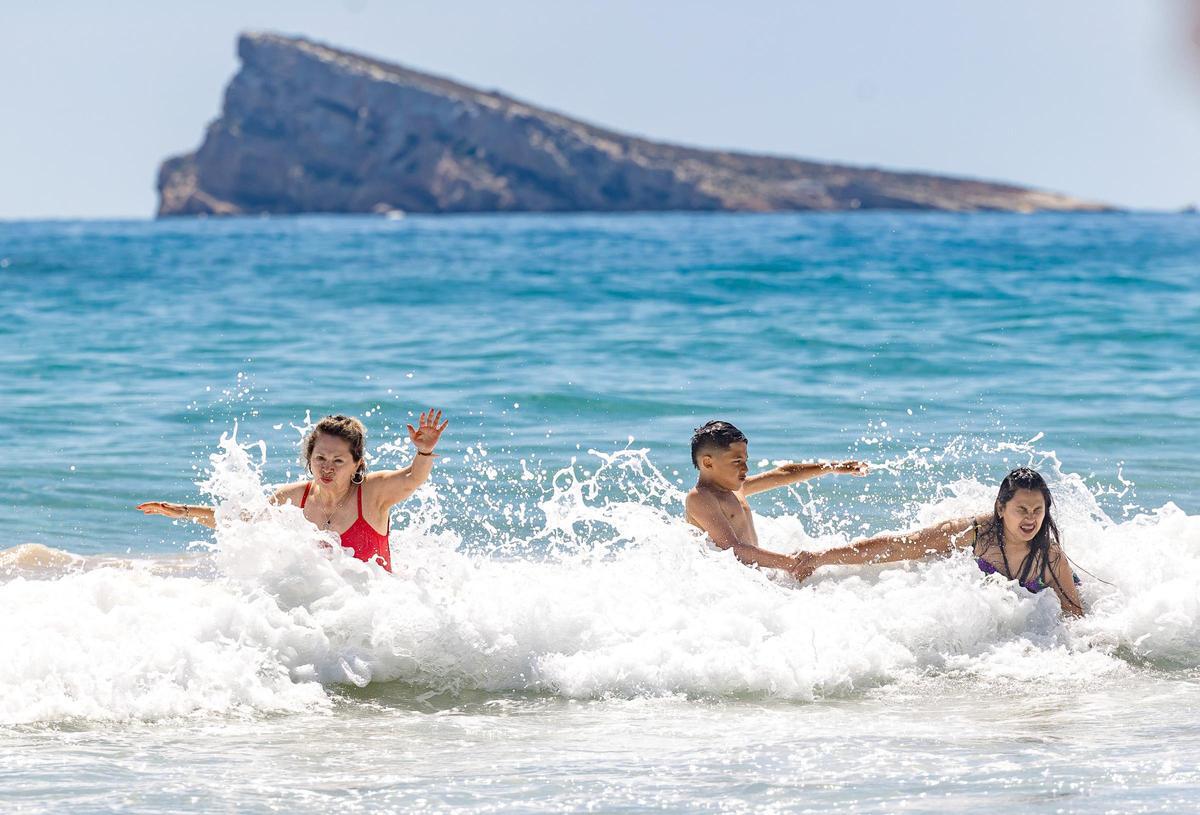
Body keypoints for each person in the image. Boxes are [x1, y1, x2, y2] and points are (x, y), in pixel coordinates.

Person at [138, 410, 449, 572]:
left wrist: (423, 452)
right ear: (309, 459)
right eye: (320, 459)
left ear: (357, 464)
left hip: (375, 618)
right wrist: (182, 511)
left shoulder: (372, 493)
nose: (328, 468)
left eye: (339, 460)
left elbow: (412, 478)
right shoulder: (293, 497)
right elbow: (242, 521)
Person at [794, 467, 1084, 616]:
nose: (1030, 519)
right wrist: (821, 558)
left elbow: (1074, 614)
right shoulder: (973, 533)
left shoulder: (1051, 558)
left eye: (1037, 510)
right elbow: (901, 545)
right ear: (1000, 508)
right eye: (1021, 509)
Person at [684, 420, 869, 578]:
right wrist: (791, 563)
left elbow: (783, 473)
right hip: (731, 585)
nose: (746, 469)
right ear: (708, 462)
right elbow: (733, 549)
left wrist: (832, 467)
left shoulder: (735, 489)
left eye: (745, 460)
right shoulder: (700, 498)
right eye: (737, 461)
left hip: (752, 578)